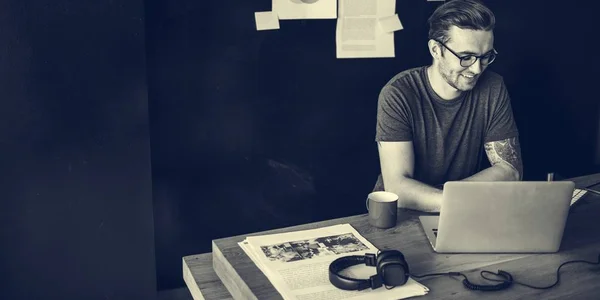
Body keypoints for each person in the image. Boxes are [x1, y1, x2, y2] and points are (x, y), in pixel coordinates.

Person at [372, 0, 523, 213]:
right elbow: (399, 189)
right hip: (403, 216)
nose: (477, 68)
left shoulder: (493, 86)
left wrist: (452, 200)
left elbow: (510, 171)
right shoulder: (398, 93)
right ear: (436, 49)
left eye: (486, 56)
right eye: (465, 57)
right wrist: (458, 200)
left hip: (463, 210)